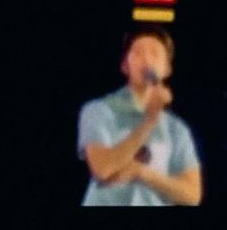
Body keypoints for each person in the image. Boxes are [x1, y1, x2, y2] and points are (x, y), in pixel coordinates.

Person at [77, 27, 203, 206]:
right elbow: (102, 169)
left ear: (167, 68)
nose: (146, 59)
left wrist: (142, 173)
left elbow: (192, 195)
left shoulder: (176, 128)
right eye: (138, 53)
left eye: (154, 53)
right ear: (124, 65)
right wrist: (149, 121)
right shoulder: (99, 110)